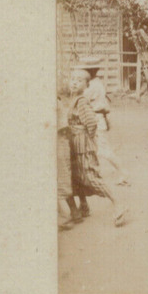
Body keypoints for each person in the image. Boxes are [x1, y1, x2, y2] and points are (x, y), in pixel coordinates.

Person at [67, 69, 128, 226]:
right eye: (72, 78)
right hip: (73, 142)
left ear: (87, 85)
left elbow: (91, 123)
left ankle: (118, 202)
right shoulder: (72, 99)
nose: (74, 82)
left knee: (91, 177)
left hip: (82, 144)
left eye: (79, 80)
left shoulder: (81, 100)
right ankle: (84, 206)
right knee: (75, 176)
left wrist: (88, 140)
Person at [74, 58, 130, 186]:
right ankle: (93, 175)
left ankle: (124, 173)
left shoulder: (93, 85)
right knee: (92, 149)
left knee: (104, 150)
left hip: (96, 120)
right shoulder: (93, 83)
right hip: (92, 118)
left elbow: (83, 100)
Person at [57, 89, 80, 229]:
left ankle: (66, 216)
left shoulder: (57, 103)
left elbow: (62, 128)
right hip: (61, 140)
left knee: (62, 178)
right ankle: (73, 212)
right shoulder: (59, 102)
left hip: (60, 141)